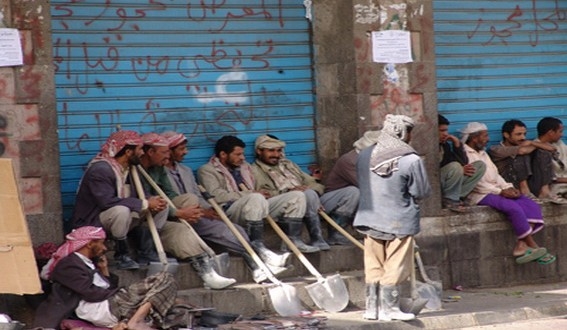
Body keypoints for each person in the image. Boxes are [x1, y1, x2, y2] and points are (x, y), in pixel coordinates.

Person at [161, 131, 291, 283]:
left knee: (237, 232)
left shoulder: (186, 170)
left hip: (199, 214)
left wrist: (208, 210)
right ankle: (261, 260)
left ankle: (257, 267)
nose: (186, 152)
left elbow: (198, 195)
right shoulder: (159, 172)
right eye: (181, 149)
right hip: (178, 215)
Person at [353, 114, 431, 321]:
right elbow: (421, 191)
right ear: (404, 133)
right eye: (411, 132)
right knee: (395, 265)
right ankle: (390, 308)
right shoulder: (411, 159)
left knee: (373, 263)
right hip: (399, 219)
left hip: (369, 217)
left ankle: (372, 309)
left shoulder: (365, 154)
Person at [137, 132, 236, 289]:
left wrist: (190, 211)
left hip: (162, 216)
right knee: (179, 229)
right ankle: (206, 273)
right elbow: (147, 202)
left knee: (188, 201)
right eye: (164, 152)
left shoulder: (159, 167)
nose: (167, 156)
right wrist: (177, 213)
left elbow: (170, 194)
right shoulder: (136, 170)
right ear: (150, 152)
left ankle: (208, 272)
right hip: (143, 219)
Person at [33, 226, 178, 330]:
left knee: (178, 308)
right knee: (164, 278)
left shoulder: (88, 263)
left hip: (110, 303)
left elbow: (106, 287)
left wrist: (104, 269)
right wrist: (122, 293)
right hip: (101, 307)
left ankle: (132, 321)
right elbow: (91, 293)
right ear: (89, 244)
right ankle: (136, 321)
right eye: (101, 243)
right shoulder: (68, 265)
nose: (105, 248)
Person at [197, 135, 315, 254]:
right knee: (255, 197)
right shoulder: (207, 170)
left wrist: (285, 191)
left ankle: (293, 241)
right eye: (238, 155)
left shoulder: (245, 167)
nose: (242, 158)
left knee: (297, 196)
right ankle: (257, 245)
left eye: (242, 154)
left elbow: (262, 192)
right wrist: (250, 193)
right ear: (223, 155)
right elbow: (217, 196)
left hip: (256, 206)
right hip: (230, 211)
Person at [70, 130, 168, 270]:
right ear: (128, 152)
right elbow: (107, 202)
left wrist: (152, 200)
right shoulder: (101, 170)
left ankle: (146, 251)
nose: (142, 153)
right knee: (121, 211)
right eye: (139, 149)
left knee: (162, 207)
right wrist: (145, 203)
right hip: (93, 221)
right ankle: (122, 254)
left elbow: (141, 194)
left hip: (120, 219)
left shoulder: (130, 169)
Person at [461, 122, 556, 265]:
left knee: (531, 205)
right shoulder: (465, 155)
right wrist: (500, 191)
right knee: (513, 208)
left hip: (497, 190)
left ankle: (521, 245)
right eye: (485, 136)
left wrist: (508, 187)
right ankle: (533, 246)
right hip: (480, 194)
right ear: (474, 138)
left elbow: (496, 175)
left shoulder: (483, 153)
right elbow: (476, 182)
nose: (488, 138)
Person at [252, 134, 359, 250]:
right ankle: (316, 238)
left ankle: (336, 234)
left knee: (352, 192)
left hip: (315, 204)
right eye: (271, 151)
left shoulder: (289, 165)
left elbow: (315, 184)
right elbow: (263, 195)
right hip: (289, 208)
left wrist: (311, 192)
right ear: (259, 151)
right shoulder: (254, 171)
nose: (276, 155)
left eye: (278, 151)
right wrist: (289, 191)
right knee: (307, 194)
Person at [488, 119, 556, 199]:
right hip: (509, 184)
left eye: (524, 134)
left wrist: (532, 143)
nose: (523, 137)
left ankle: (544, 191)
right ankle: (525, 192)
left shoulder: (525, 145)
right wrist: (536, 145)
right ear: (506, 135)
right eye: (518, 134)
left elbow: (552, 149)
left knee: (543, 153)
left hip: (528, 182)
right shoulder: (496, 149)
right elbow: (522, 151)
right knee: (520, 154)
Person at [439, 114, 485, 210]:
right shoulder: (426, 147)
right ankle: (450, 200)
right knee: (455, 166)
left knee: (480, 166)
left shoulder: (445, 146)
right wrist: (457, 169)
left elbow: (464, 164)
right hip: (436, 184)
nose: (446, 134)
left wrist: (457, 145)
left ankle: (456, 198)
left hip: (448, 183)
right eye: (442, 130)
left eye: (446, 130)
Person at [528, 117, 567, 200]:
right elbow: (546, 177)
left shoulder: (559, 143)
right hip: (553, 187)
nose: (562, 135)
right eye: (560, 132)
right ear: (551, 133)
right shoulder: (537, 151)